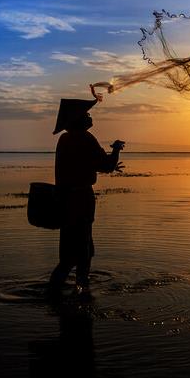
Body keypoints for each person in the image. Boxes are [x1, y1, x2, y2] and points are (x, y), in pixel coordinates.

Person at [49, 92, 124, 292]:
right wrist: (116, 150)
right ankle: (81, 290)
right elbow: (105, 165)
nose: (90, 117)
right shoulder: (86, 139)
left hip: (65, 201)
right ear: (77, 120)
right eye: (86, 115)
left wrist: (104, 164)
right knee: (83, 251)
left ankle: (56, 294)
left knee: (69, 254)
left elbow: (84, 164)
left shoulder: (64, 140)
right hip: (80, 201)